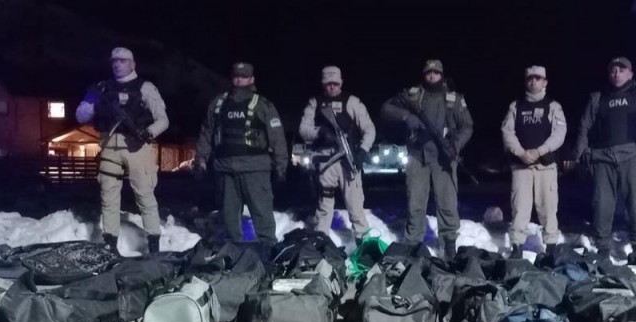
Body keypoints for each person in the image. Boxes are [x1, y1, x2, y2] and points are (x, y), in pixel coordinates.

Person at [76, 47, 168, 255]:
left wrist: (148, 133)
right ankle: (110, 245)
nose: (117, 64)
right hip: (109, 146)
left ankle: (154, 246)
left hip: (137, 147)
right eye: (114, 61)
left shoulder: (145, 88)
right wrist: (95, 106)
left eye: (123, 61)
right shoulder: (102, 88)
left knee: (145, 195)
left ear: (132, 64)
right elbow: (81, 115)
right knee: (108, 196)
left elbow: (163, 120)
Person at [380, 59, 473, 257]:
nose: (432, 76)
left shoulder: (453, 99)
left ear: (441, 74)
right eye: (428, 72)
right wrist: (407, 117)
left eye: (436, 72)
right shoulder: (413, 95)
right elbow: (387, 109)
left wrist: (455, 146)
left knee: (447, 203)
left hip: (444, 158)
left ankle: (449, 243)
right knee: (415, 203)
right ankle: (413, 244)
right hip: (417, 155)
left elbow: (467, 126)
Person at [575, 56, 636, 262]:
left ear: (630, 74)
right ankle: (603, 249)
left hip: (633, 158)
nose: (617, 74)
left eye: (622, 70)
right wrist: (580, 158)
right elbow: (583, 128)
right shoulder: (597, 98)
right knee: (602, 204)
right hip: (602, 159)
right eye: (613, 70)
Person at [195, 62, 288, 245]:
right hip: (225, 169)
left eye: (244, 76)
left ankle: (267, 250)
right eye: (236, 76)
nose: (239, 79)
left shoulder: (262, 105)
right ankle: (233, 252)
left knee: (262, 214)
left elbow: (277, 137)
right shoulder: (218, 103)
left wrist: (281, 165)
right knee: (229, 217)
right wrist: (201, 159)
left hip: (255, 170)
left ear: (251, 79)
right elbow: (206, 133)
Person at [298, 66, 376, 244]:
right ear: (323, 84)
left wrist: (363, 150)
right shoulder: (315, 102)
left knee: (356, 209)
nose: (332, 87)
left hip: (349, 162)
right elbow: (303, 129)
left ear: (340, 83)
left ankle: (364, 247)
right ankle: (320, 245)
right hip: (326, 162)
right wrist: (320, 132)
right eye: (328, 84)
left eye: (335, 83)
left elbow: (369, 129)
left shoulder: (352, 101)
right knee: (324, 210)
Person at [500, 65, 567, 258]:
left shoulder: (553, 106)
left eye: (538, 78)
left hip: (546, 167)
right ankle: (517, 248)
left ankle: (551, 249)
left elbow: (560, 133)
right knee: (519, 208)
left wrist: (539, 151)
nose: (533, 81)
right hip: (521, 167)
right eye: (530, 78)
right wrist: (521, 152)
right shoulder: (516, 106)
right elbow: (507, 132)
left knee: (548, 208)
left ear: (545, 82)